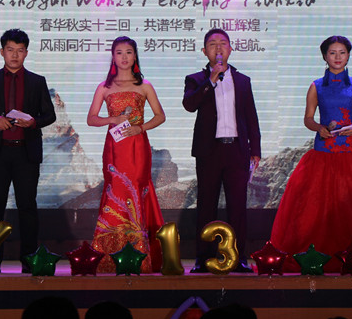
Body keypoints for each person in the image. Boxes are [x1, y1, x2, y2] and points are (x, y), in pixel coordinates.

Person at [269, 35, 352, 273]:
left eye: (342, 52)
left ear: (348, 55)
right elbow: (308, 118)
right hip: (323, 154)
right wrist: (319, 128)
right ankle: (318, 257)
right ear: (324, 56)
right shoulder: (316, 86)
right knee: (316, 210)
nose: (338, 57)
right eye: (333, 53)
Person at [0, 28, 56, 273]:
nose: (15, 55)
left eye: (20, 50)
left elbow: (49, 115)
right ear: (2, 52)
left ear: (26, 53)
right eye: (10, 50)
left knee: (27, 207)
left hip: (25, 153)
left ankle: (29, 261)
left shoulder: (37, 81)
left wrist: (34, 122)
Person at [183, 28, 261, 273]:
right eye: (212, 44)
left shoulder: (243, 80)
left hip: (237, 149)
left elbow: (251, 117)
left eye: (223, 43)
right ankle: (203, 258)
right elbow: (189, 104)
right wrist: (211, 80)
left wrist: (255, 149)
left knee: (238, 207)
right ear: (204, 51)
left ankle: (238, 258)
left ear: (230, 49)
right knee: (206, 205)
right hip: (209, 151)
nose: (218, 48)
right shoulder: (196, 79)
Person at [87, 36, 166, 273]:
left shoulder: (144, 86)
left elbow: (160, 116)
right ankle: (110, 255)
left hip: (137, 146)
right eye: (119, 52)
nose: (124, 57)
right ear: (113, 56)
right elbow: (91, 119)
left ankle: (140, 254)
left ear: (135, 56)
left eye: (128, 52)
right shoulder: (105, 87)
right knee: (116, 190)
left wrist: (140, 128)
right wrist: (112, 119)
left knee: (136, 189)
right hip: (115, 148)